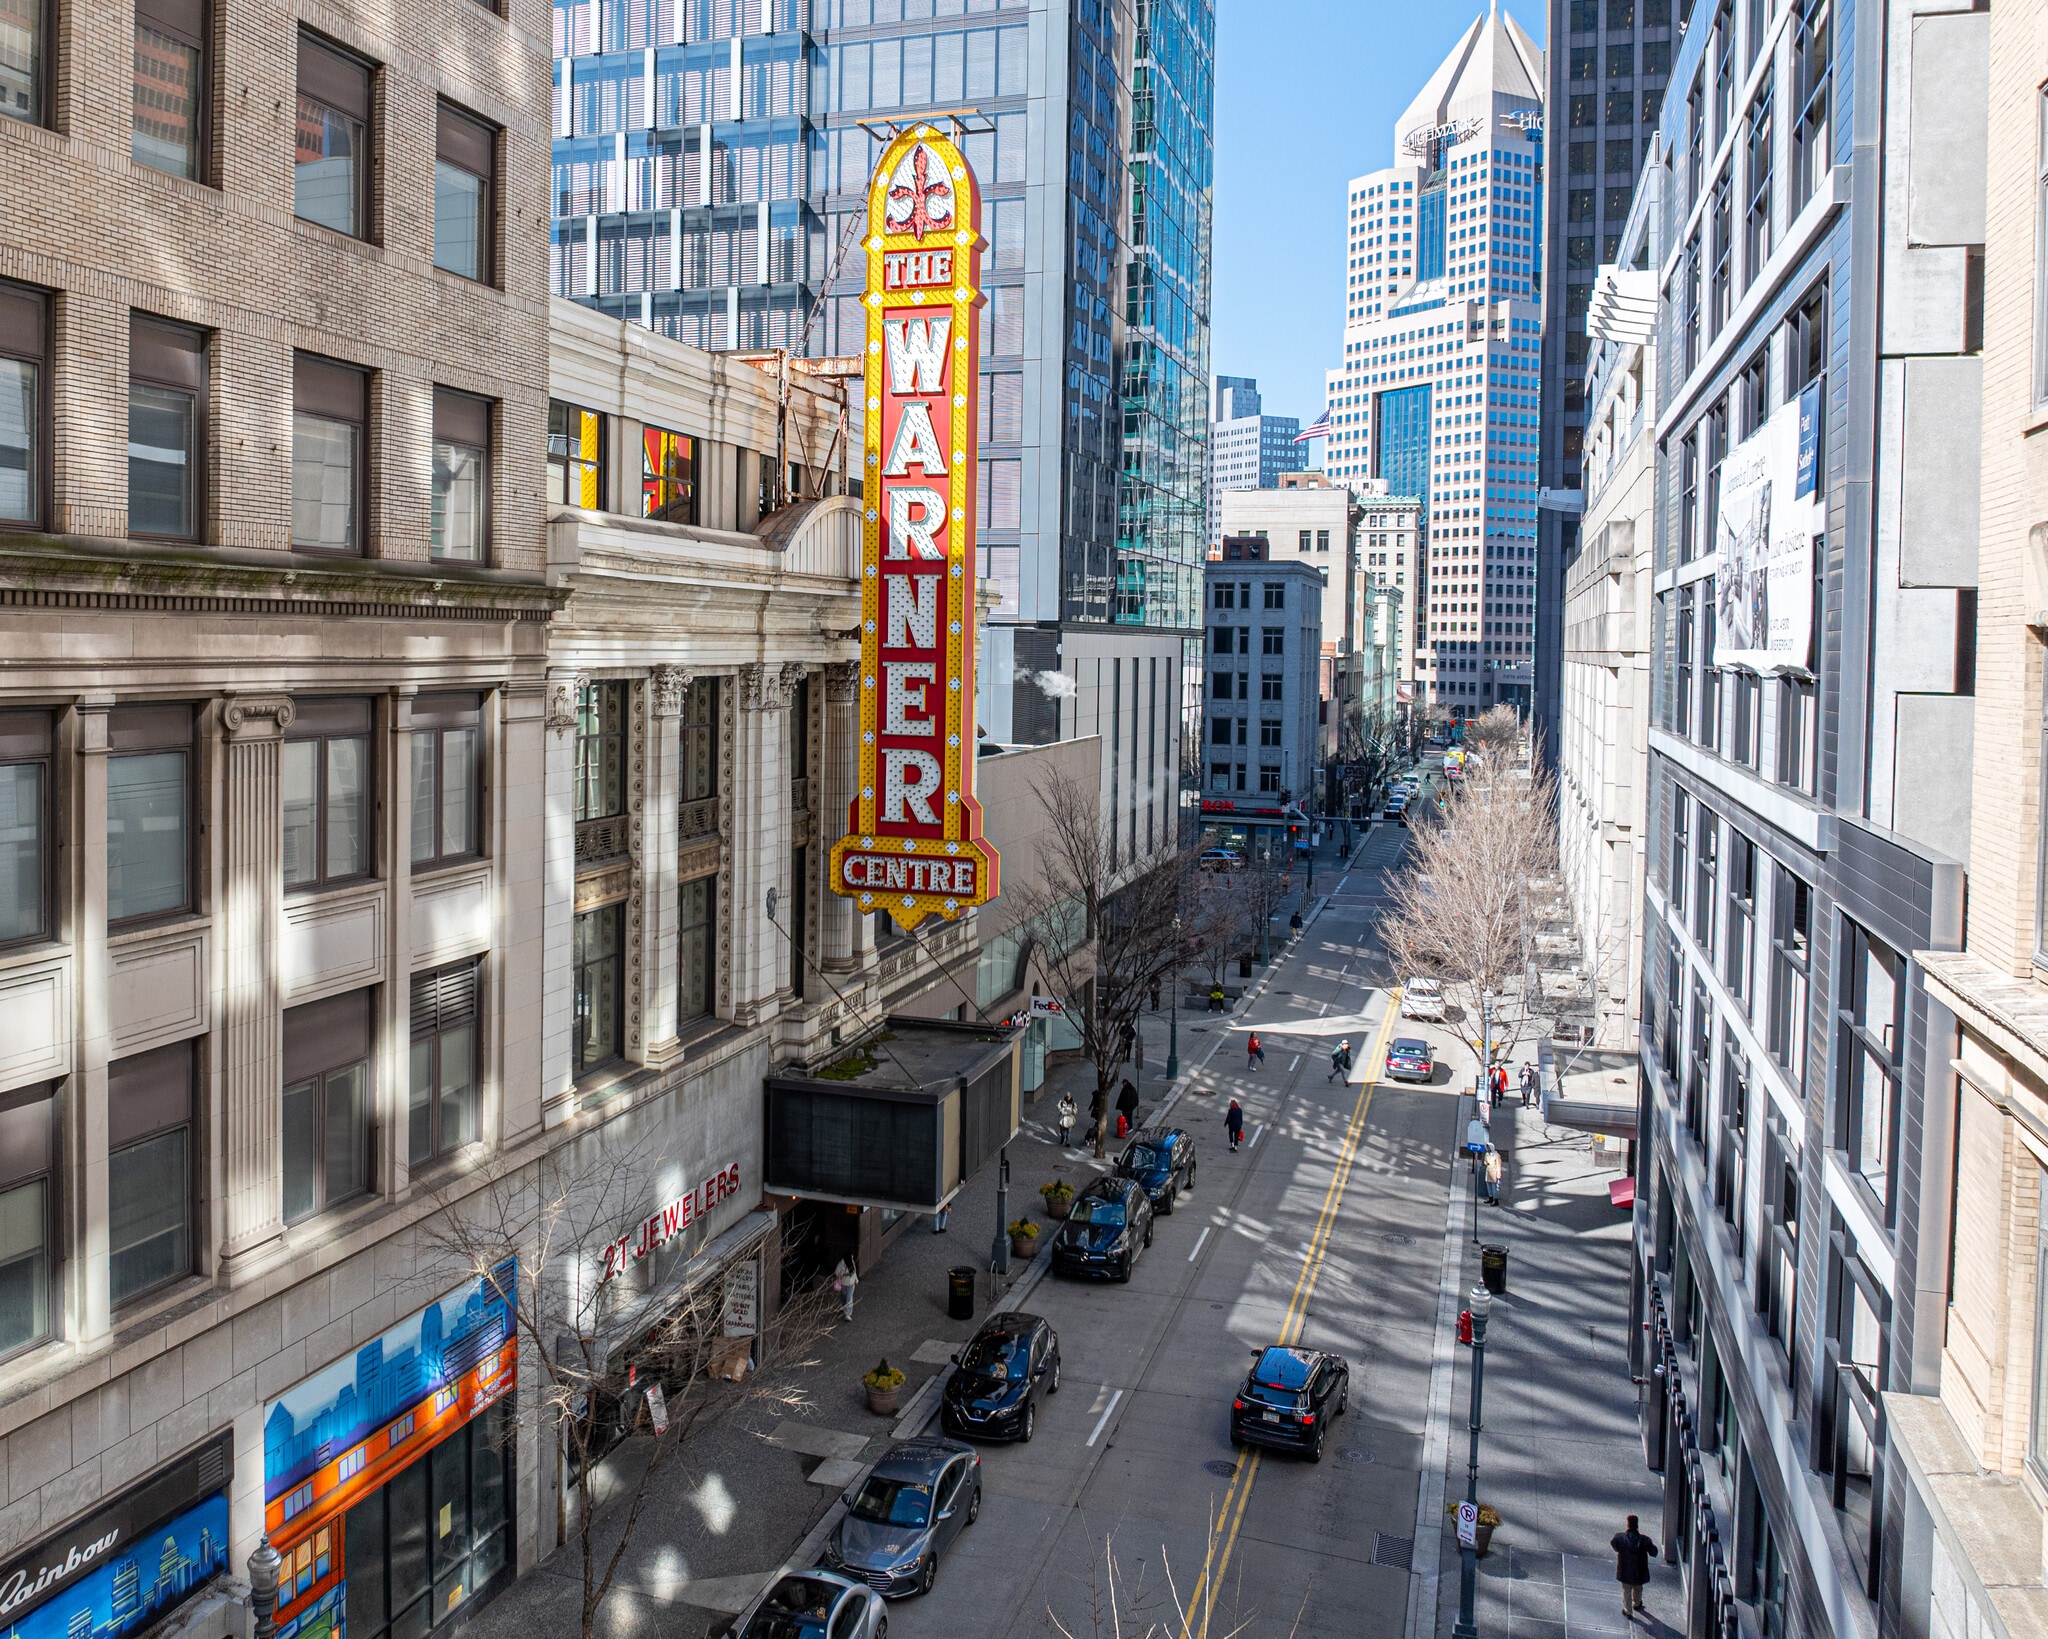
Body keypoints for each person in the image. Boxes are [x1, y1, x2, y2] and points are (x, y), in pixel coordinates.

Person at [1612, 1515, 1658, 1619]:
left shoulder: (1619, 1538)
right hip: (1639, 1571)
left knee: (1626, 1590)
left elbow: (1614, 1545)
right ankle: (1637, 1603)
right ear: (1637, 1525)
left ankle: (1628, 1611)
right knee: (1638, 1588)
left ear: (1627, 1524)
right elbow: (1654, 1552)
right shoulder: (1644, 1540)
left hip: (1625, 1570)